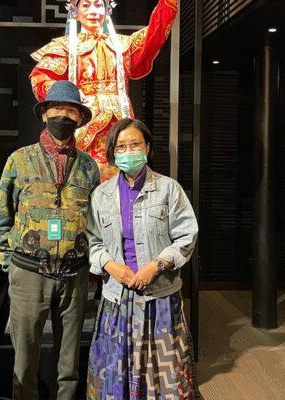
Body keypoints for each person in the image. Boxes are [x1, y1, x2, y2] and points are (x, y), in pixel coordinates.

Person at [0, 80, 100, 399]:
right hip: (28, 273)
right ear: (44, 114)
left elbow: (95, 219)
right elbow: (1, 211)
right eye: (57, 109)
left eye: (70, 110)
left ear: (80, 118)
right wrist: (7, 262)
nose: (63, 116)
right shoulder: (19, 160)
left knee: (68, 365)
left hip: (74, 276)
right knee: (25, 361)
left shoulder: (89, 167)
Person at [85, 118, 199, 399]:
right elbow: (93, 240)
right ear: (113, 153)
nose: (128, 151)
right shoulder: (101, 195)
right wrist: (110, 266)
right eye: (121, 146)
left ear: (147, 147)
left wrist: (156, 266)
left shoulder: (169, 189)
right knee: (113, 374)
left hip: (159, 295)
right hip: (117, 297)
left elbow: (187, 235)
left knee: (164, 378)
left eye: (135, 143)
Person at [30, 0, 179, 182]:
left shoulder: (123, 46)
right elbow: (40, 78)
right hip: (83, 124)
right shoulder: (65, 47)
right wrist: (70, 100)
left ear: (107, 9)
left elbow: (155, 33)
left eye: (98, 5)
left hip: (120, 124)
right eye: (86, 5)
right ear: (74, 10)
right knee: (79, 179)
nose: (93, 11)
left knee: (124, 179)